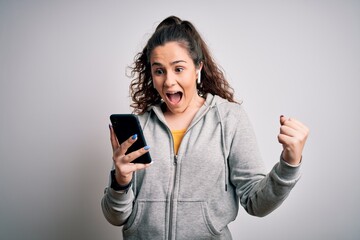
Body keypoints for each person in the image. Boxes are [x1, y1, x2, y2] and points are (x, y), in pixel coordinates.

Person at [101, 16, 309, 240]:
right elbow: (116, 216)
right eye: (159, 71)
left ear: (198, 67)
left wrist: (289, 163)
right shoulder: (140, 127)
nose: (169, 81)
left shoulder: (229, 119)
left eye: (178, 69)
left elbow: (255, 203)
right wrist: (121, 181)